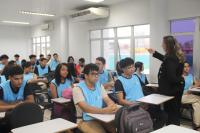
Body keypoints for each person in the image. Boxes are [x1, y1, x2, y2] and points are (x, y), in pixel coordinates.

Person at [115, 57, 167, 130]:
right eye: (129, 68)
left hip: (143, 104)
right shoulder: (119, 81)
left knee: (163, 116)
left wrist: (147, 101)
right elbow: (121, 101)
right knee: (141, 122)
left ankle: (152, 130)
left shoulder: (135, 77)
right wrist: (136, 105)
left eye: (133, 66)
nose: (132, 69)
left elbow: (141, 91)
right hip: (132, 108)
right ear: (123, 69)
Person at [147, 35, 185, 125]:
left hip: (172, 90)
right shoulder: (173, 55)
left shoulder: (171, 57)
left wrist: (182, 79)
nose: (161, 45)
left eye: (163, 43)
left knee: (172, 114)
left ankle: (172, 129)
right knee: (174, 113)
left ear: (167, 45)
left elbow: (172, 77)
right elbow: (165, 60)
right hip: (174, 90)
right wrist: (154, 53)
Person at [73, 63, 117, 133]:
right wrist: (105, 111)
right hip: (85, 120)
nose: (96, 76)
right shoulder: (77, 88)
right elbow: (86, 108)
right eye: (93, 74)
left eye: (97, 74)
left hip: (100, 116)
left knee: (118, 129)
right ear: (86, 76)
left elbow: (107, 99)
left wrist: (112, 106)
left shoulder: (99, 85)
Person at [0, 65, 34, 133]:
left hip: (20, 115)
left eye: (21, 78)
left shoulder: (25, 84)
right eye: (16, 79)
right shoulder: (2, 87)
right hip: (5, 118)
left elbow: (31, 101)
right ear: (10, 77)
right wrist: (15, 105)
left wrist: (6, 105)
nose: (20, 81)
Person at [181, 62, 200, 129]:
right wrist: (189, 89)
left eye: (188, 66)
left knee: (197, 104)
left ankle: (197, 124)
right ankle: (197, 124)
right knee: (198, 99)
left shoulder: (191, 76)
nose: (187, 68)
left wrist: (194, 85)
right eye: (185, 66)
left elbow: (198, 83)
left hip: (190, 95)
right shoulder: (180, 76)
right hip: (182, 96)